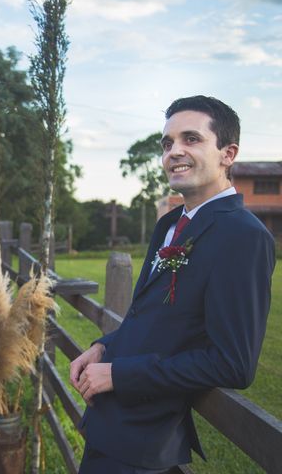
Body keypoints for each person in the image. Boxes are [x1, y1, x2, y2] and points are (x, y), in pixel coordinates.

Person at [70, 95, 276, 474]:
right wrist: (104, 347)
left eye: (191, 139)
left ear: (228, 153)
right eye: (167, 143)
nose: (174, 152)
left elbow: (233, 364)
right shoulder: (170, 224)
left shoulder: (244, 236)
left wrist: (118, 374)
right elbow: (147, 316)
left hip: (146, 443)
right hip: (109, 426)